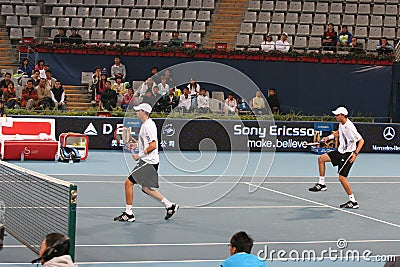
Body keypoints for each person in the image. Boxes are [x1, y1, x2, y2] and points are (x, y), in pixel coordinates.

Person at [113, 103, 178, 222]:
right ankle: (170, 205)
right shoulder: (146, 125)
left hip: (148, 162)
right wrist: (136, 144)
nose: (137, 113)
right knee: (146, 188)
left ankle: (129, 213)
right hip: (149, 161)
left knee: (128, 183)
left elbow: (153, 145)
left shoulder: (149, 126)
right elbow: (146, 142)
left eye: (138, 111)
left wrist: (139, 155)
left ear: (144, 112)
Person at [309, 107, 364, 209]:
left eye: (337, 115)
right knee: (321, 159)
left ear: (343, 115)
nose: (335, 116)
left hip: (348, 154)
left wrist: (355, 154)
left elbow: (361, 140)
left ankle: (353, 201)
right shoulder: (341, 124)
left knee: (342, 177)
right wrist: (328, 138)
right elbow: (339, 133)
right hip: (340, 151)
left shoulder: (350, 126)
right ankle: (322, 184)